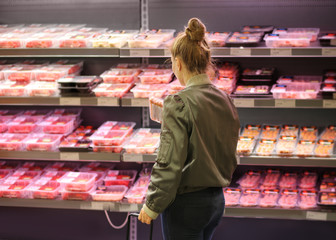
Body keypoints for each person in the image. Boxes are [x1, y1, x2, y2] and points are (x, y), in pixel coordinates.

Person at [138, 17, 240, 240]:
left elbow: (168, 163)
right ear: (206, 62)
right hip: (215, 202)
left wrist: (152, 204)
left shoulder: (178, 102)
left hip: (186, 206)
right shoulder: (225, 99)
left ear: (179, 63)